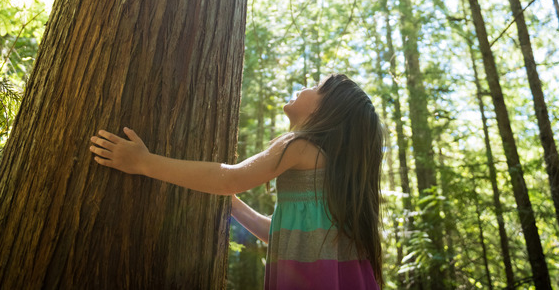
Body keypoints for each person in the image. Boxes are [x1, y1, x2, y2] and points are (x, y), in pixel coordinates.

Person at [89, 73, 384, 289]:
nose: (305, 86)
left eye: (317, 87)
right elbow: (286, 236)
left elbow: (229, 178)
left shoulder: (298, 146)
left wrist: (144, 161)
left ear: (328, 111)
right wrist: (234, 207)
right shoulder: (333, 182)